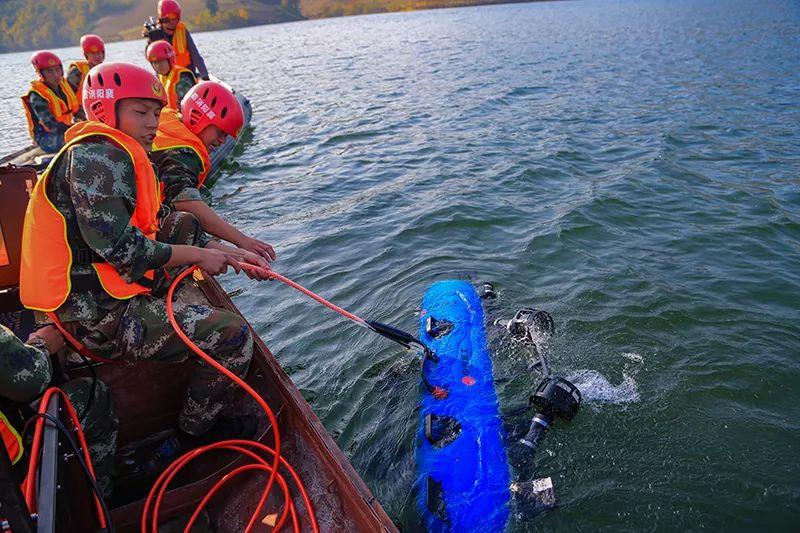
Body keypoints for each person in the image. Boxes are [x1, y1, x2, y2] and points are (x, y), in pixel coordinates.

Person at [19, 62, 271, 459]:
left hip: (96, 286)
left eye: (156, 111)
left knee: (182, 223)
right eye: (141, 112)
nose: (153, 122)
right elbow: (129, 254)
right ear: (104, 110)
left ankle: (171, 296)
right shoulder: (97, 160)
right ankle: (195, 432)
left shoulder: (111, 150)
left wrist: (229, 251)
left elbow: (153, 227)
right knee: (232, 337)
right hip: (89, 315)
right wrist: (203, 256)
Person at [151, 81, 275, 260]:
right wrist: (243, 241)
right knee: (186, 222)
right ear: (197, 117)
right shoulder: (183, 153)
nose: (222, 142)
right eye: (221, 133)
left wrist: (232, 253)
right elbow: (185, 202)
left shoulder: (167, 125)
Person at [0, 323, 118, 497]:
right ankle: (99, 495)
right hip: (15, 468)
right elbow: (32, 379)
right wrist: (43, 343)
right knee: (92, 395)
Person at [21, 51, 80, 153]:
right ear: (41, 73)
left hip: (65, 130)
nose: (55, 75)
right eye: (50, 72)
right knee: (77, 142)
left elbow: (77, 110)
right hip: (45, 136)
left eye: (57, 70)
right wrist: (74, 129)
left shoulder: (64, 86)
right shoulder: (37, 95)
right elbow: (50, 125)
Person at [144, 0, 209, 80]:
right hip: (165, 78)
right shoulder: (155, 34)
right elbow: (150, 58)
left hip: (186, 76)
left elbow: (195, 56)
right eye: (168, 18)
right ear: (162, 19)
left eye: (174, 17)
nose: (172, 22)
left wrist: (205, 77)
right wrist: (150, 42)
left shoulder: (182, 30)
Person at [147, 40, 196, 110]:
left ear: (170, 59)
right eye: (154, 63)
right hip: (169, 117)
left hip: (180, 118)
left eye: (160, 62)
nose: (158, 66)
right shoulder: (160, 77)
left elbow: (189, 106)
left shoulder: (182, 79)